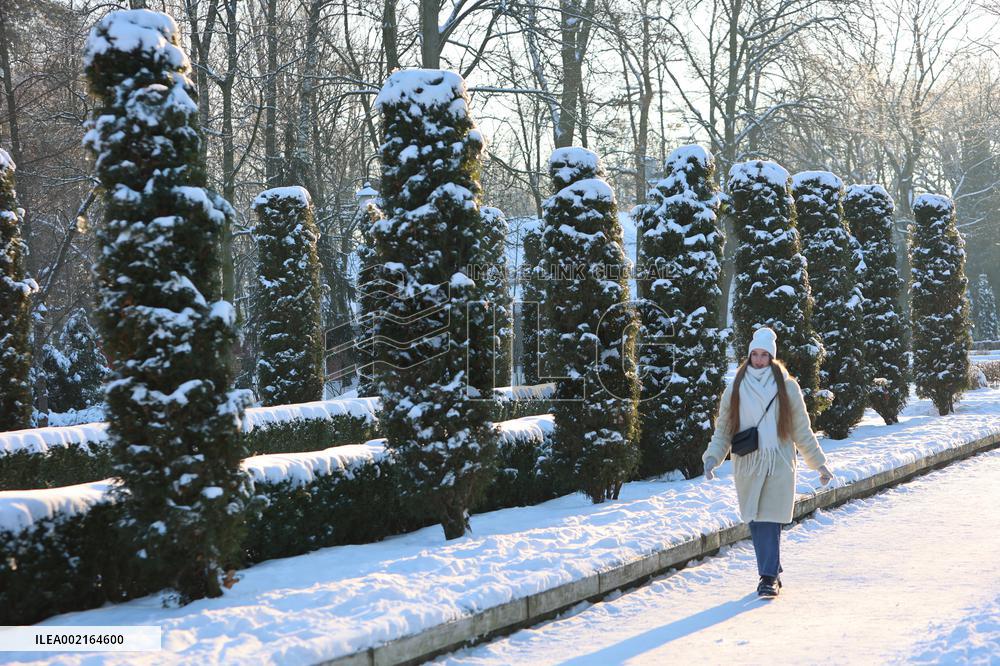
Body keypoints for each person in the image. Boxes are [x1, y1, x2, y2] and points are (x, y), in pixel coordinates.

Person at [702, 326, 834, 598]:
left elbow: (801, 429)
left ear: (772, 357)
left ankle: (768, 577)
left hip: (778, 461)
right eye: (755, 354)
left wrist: (818, 463)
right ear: (749, 355)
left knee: (769, 519)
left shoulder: (787, 387)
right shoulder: (736, 386)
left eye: (764, 355)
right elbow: (724, 428)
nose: (759, 360)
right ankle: (771, 567)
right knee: (755, 518)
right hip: (748, 462)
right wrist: (712, 458)